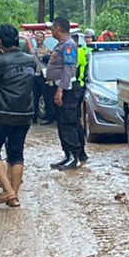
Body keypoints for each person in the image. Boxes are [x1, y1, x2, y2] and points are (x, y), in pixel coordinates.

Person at [0, 24, 38, 208]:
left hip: (0, 114)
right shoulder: (30, 60)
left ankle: (8, 190)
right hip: (24, 114)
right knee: (16, 153)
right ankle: (14, 197)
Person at [45, 16, 87, 170]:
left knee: (68, 122)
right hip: (61, 87)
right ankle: (69, 154)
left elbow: (69, 69)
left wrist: (60, 90)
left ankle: (75, 156)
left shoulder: (69, 45)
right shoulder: (61, 44)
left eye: (52, 28)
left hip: (66, 89)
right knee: (65, 122)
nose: (50, 31)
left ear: (58, 28)